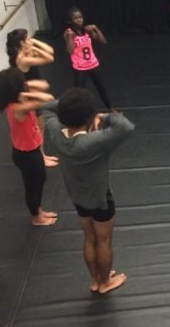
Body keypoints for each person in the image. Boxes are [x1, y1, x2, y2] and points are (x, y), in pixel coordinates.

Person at [41, 88, 135, 293]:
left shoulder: (56, 133)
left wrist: (66, 106)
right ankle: (105, 283)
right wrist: (103, 116)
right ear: (87, 117)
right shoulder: (95, 142)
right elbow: (126, 126)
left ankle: (95, 280)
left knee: (89, 238)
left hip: (78, 198)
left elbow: (45, 107)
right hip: (101, 200)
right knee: (103, 240)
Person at [0, 68, 57, 226]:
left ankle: (39, 211)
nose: (25, 84)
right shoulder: (18, 108)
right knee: (32, 186)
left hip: (32, 150)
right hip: (26, 155)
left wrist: (23, 88)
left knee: (41, 179)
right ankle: (36, 218)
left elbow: (42, 85)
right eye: (21, 83)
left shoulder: (19, 102)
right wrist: (26, 89)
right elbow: (46, 96)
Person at [6, 28, 58, 167]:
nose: (31, 40)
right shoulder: (23, 59)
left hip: (31, 96)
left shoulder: (23, 55)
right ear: (21, 43)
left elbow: (50, 52)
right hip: (29, 98)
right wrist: (35, 43)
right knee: (37, 128)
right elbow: (50, 57)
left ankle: (42, 155)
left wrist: (31, 46)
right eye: (28, 39)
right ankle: (40, 157)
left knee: (40, 127)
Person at [64, 7, 115, 112]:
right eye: (75, 18)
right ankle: (79, 113)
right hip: (80, 67)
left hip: (92, 64)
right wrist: (70, 37)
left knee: (101, 87)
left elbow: (103, 42)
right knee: (79, 93)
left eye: (80, 17)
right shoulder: (68, 33)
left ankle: (110, 108)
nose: (79, 20)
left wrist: (96, 29)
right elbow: (70, 51)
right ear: (70, 21)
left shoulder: (87, 31)